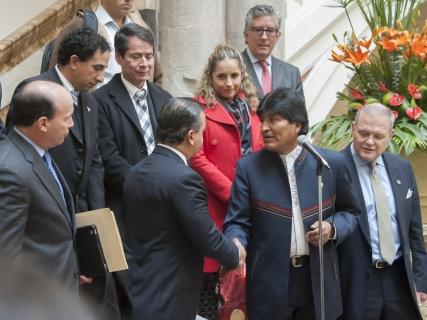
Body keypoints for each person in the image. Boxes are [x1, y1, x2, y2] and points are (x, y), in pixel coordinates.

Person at [6, 28, 120, 320]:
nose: (71, 126)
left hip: (69, 252)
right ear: (73, 61)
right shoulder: (35, 92)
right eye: (97, 67)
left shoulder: (88, 102)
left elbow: (94, 163)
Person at [223, 88, 360, 320]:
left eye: (274, 120)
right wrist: (235, 241)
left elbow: (352, 213)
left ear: (297, 125)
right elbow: (237, 222)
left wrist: (332, 228)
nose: (264, 127)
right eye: (262, 120)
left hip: (318, 279)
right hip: (269, 280)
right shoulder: (249, 168)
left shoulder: (329, 163)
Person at [123, 97, 245, 320]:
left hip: (139, 286)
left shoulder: (135, 172)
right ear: (190, 136)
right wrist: (235, 254)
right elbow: (207, 237)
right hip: (171, 291)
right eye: (202, 132)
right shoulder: (185, 178)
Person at [93, 23, 171, 318]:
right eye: (136, 57)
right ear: (119, 58)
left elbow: (171, 153)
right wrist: (148, 186)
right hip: (122, 211)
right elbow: (109, 159)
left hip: (162, 212)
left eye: (149, 56)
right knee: (129, 293)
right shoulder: (100, 101)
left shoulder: (164, 99)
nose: (144, 64)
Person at [191, 44, 263, 319]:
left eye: (234, 75)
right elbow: (196, 157)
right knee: (214, 288)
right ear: (210, 77)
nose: (229, 83)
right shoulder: (199, 109)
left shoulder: (253, 107)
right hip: (215, 205)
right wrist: (231, 191)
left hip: (252, 204)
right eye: (222, 77)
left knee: (249, 287)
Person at [338, 103, 427, 320]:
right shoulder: (334, 167)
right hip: (357, 282)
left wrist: (421, 280)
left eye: (378, 136)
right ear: (353, 128)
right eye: (363, 133)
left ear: (391, 135)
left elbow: (415, 231)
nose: (369, 141)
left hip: (398, 277)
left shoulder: (401, 168)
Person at [0, 81, 79, 294]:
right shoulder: (10, 171)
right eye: (67, 118)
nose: (71, 124)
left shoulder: (39, 152)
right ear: (43, 123)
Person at [47, 0, 162, 85]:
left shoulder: (141, 26)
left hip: (137, 112)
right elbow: (56, 74)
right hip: (95, 111)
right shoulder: (83, 25)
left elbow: (156, 76)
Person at [241, 4, 304, 99]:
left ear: (277, 36)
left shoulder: (292, 74)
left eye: (270, 31)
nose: (264, 37)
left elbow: (298, 113)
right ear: (246, 35)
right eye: (258, 30)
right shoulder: (231, 68)